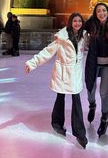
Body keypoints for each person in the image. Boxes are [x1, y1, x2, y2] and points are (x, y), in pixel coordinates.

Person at [25, 13, 88, 148]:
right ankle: (57, 124)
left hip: (75, 74)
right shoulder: (61, 38)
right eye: (75, 21)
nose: (77, 23)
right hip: (63, 73)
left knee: (76, 101)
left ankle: (80, 133)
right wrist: (32, 63)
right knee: (60, 97)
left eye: (79, 21)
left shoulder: (84, 36)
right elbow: (47, 52)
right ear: (70, 22)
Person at [85, 3, 108, 137]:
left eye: (104, 10)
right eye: (99, 11)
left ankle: (104, 119)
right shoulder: (91, 24)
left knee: (103, 92)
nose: (101, 13)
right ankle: (92, 105)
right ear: (95, 13)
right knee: (90, 89)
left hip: (107, 64)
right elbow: (75, 28)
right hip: (93, 63)